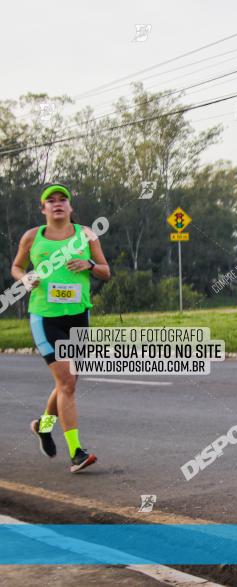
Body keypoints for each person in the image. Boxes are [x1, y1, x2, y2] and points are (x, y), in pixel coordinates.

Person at [10, 183, 111, 473]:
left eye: (62, 200)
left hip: (79, 316)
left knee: (68, 382)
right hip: (45, 317)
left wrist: (90, 264)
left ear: (70, 207)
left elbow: (106, 272)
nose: (57, 204)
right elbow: (16, 267)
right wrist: (25, 279)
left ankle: (43, 427)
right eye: (50, 200)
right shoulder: (32, 237)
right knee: (66, 382)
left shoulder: (86, 235)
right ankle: (76, 453)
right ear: (43, 209)